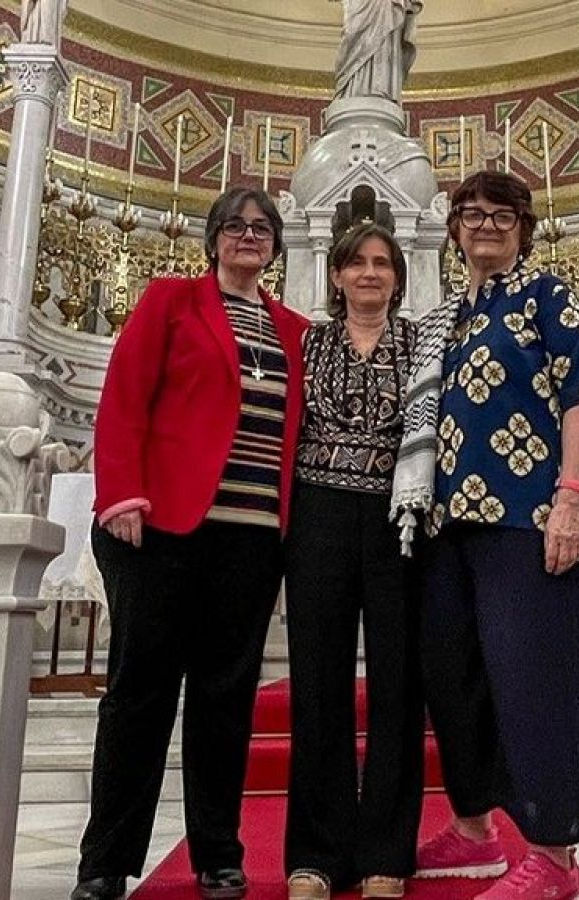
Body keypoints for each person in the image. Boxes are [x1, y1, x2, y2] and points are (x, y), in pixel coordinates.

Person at [74, 186, 310, 900]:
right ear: (212, 239)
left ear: (276, 246)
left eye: (261, 229)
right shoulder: (169, 302)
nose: (248, 237)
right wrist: (119, 493)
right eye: (235, 226)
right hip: (161, 527)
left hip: (252, 539)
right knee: (139, 695)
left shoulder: (296, 330)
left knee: (225, 697)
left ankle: (218, 853)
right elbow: (125, 396)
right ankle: (106, 864)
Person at [398, 171, 579, 900]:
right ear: (455, 229)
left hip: (528, 519)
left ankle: (553, 856)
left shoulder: (547, 297)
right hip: (449, 522)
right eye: (472, 214)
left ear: (524, 227)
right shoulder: (450, 317)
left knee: (536, 684)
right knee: (455, 679)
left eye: (502, 215)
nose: (486, 225)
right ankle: (474, 828)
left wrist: (569, 499)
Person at [283, 224, 422, 900]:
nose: (370, 274)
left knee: (397, 685)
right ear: (335, 276)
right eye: (357, 264)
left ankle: (386, 855)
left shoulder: (424, 345)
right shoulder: (306, 342)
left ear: (398, 277)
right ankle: (315, 854)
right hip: (318, 518)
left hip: (400, 525)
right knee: (318, 682)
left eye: (381, 264)